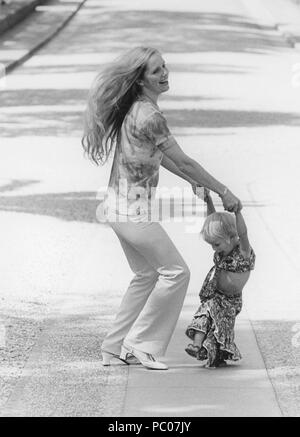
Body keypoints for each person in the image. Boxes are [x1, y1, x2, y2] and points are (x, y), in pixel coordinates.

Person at [82, 46, 241, 371]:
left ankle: (112, 348)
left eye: (165, 66)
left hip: (117, 207)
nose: (165, 73)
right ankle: (142, 345)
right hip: (131, 212)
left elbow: (167, 159)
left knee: (146, 274)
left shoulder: (139, 109)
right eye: (157, 71)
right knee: (177, 272)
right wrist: (222, 190)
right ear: (141, 81)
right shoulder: (149, 115)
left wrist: (191, 181)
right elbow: (183, 159)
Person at [185, 189, 255, 368]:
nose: (214, 249)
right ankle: (195, 345)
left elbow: (244, 233)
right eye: (211, 245)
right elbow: (212, 217)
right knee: (205, 312)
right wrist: (208, 199)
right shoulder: (222, 249)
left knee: (221, 330)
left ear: (232, 238)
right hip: (215, 294)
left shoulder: (243, 253)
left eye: (216, 244)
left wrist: (238, 213)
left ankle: (216, 355)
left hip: (231, 301)